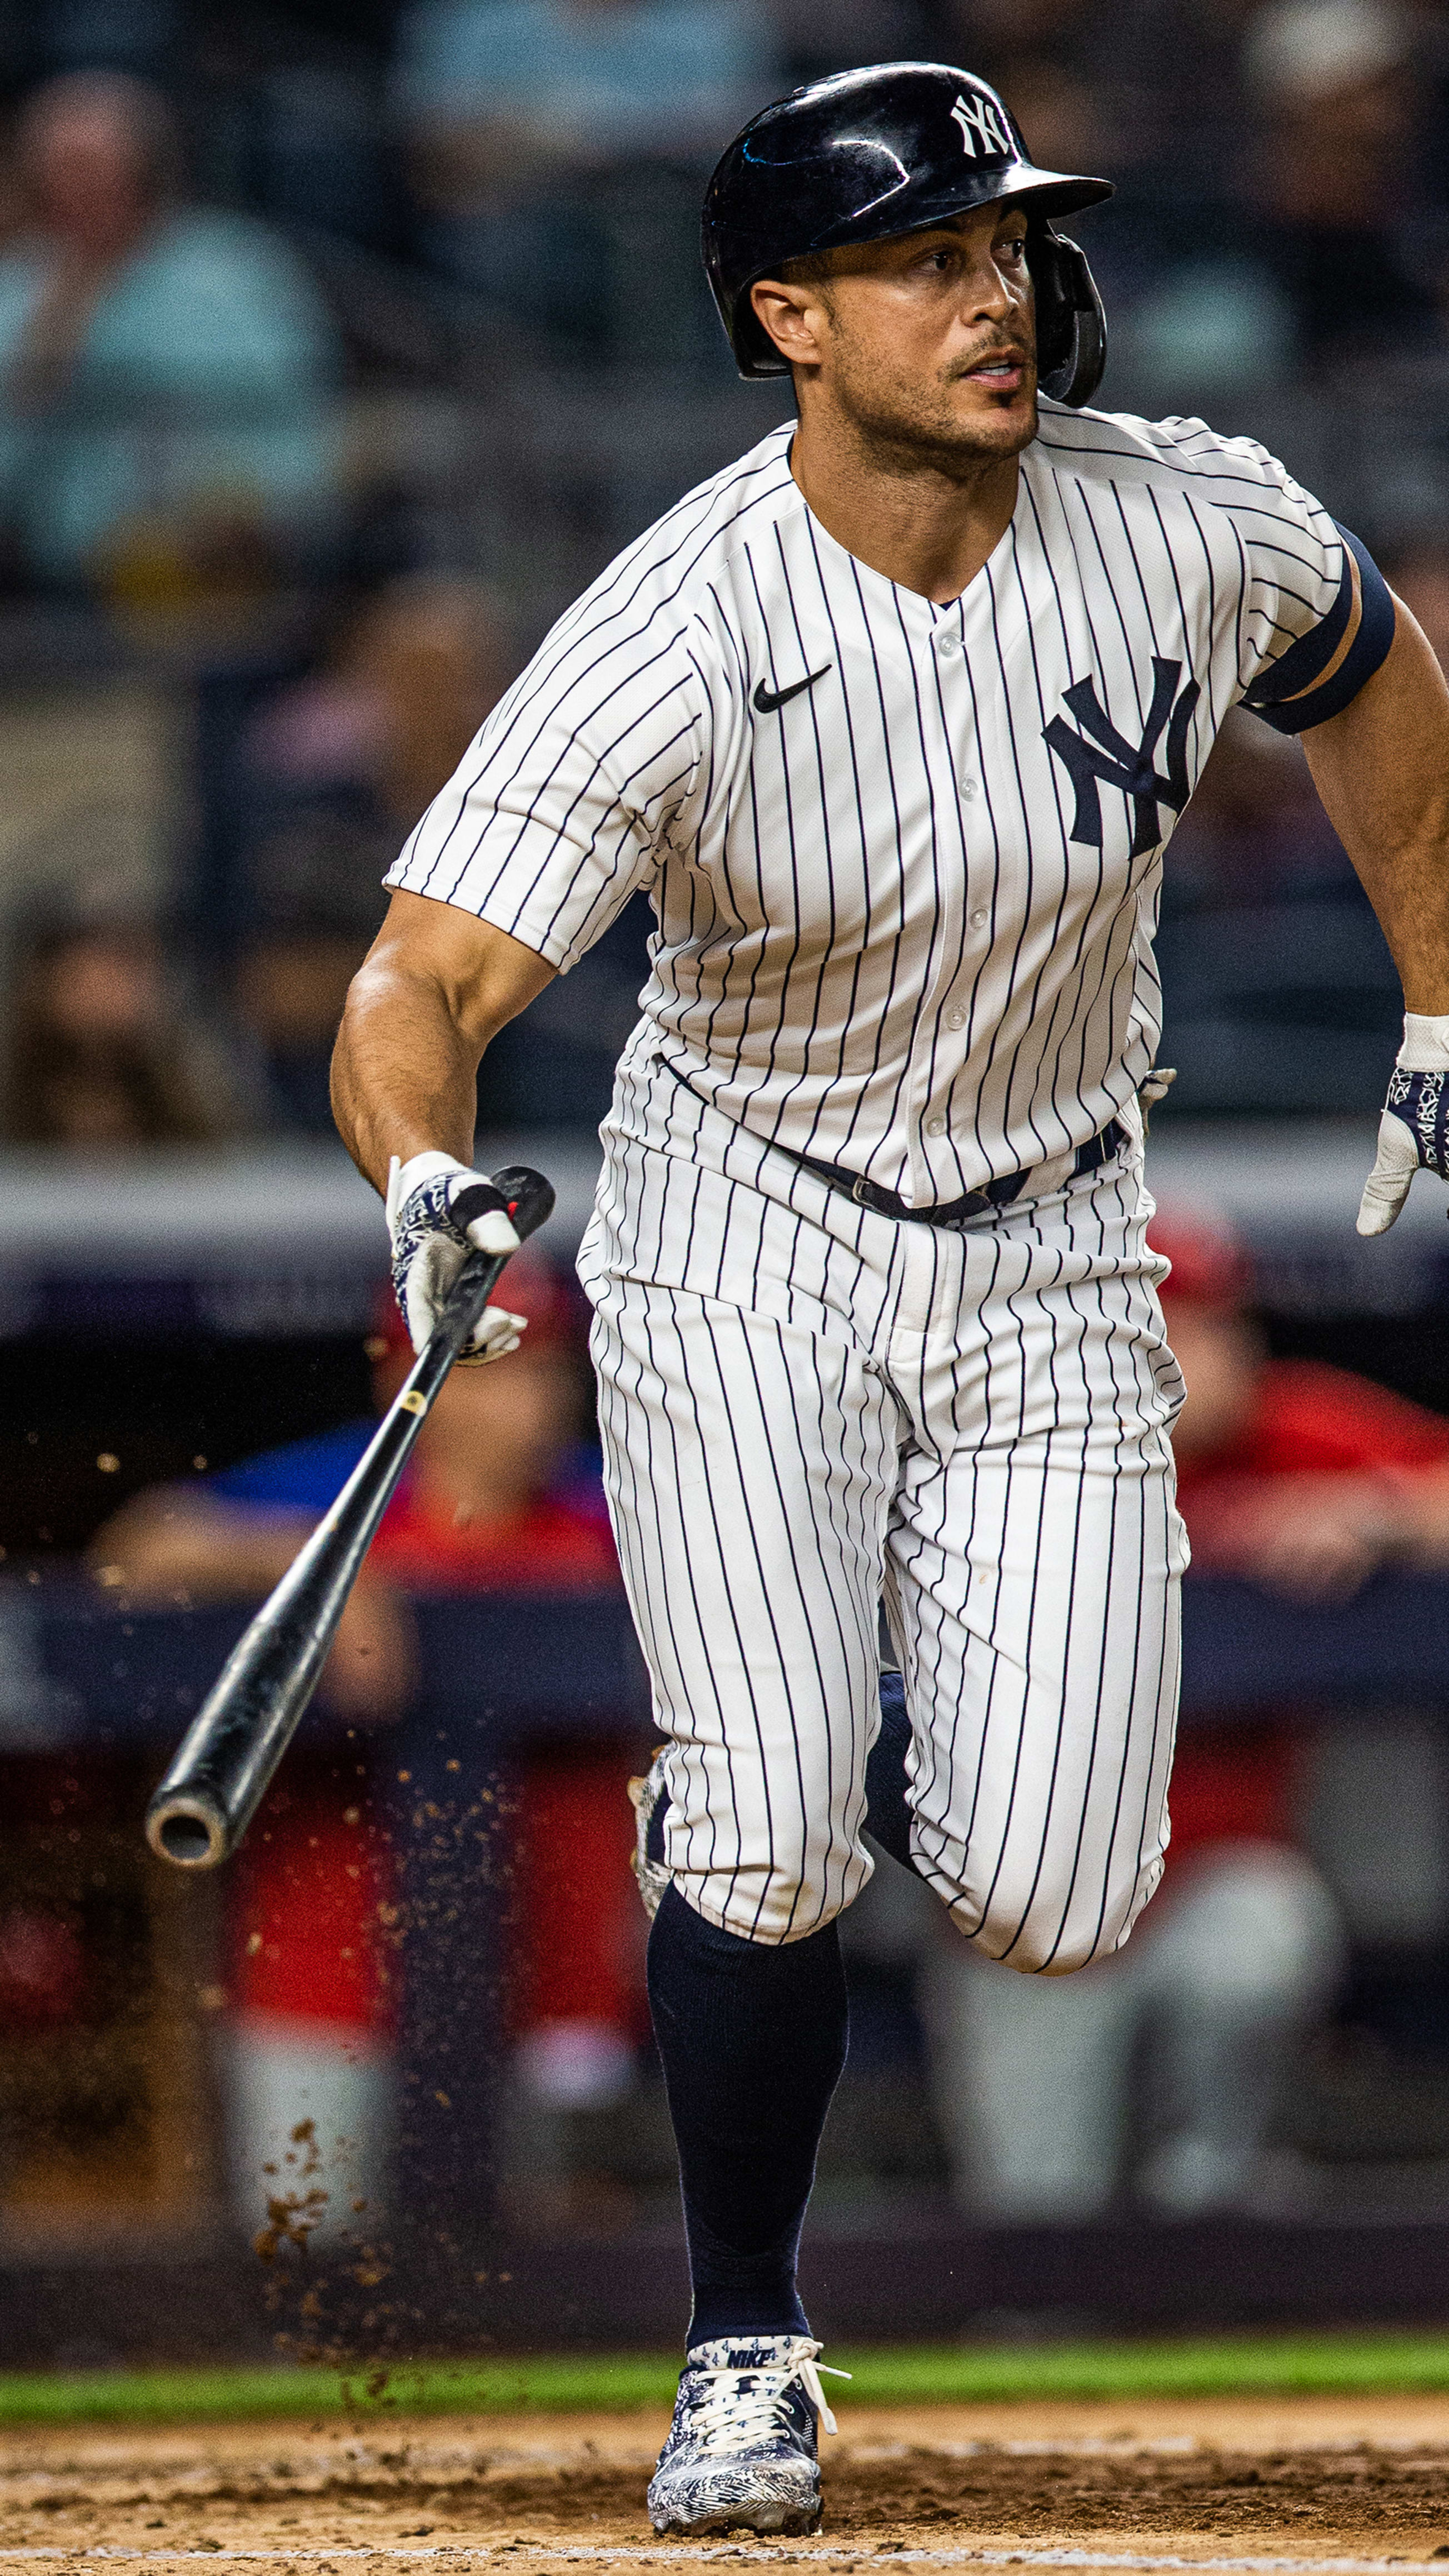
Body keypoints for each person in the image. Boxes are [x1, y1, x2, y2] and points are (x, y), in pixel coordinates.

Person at [330, 58, 1449, 2538]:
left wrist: (1436, 1000)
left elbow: (1369, 671)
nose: (993, 291)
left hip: (1059, 1232)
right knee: (771, 1824)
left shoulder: (1181, 517)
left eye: (1001, 242)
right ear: (786, 318)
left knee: (1057, 1886)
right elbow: (414, 981)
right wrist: (419, 1181)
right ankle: (747, 2333)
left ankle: (749, 1828)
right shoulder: (681, 621)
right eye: (926, 255)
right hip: (748, 1228)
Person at [918, 1210, 1449, 2220]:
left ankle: (1213, 2197)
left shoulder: (1282, 1434)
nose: (1205, 1354)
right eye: (1166, 1325)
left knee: (1261, 1931)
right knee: (1037, 2226)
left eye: (1213, 1324)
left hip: (1207, 1878)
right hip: (1025, 1911)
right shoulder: (992, 1453)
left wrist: (1375, 1511)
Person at [90, 1253, 634, 2238]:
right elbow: (134, 1551)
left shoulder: (607, 1505)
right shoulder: (344, 1488)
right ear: (405, 1376)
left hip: (552, 1983)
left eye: (542, 1365)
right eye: (489, 1365)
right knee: (309, 2271)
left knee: (550, 2291)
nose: (528, 1399)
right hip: (325, 1973)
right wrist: (309, 1571)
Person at [0, 71, 337, 599]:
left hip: (227, 580)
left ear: (146, 170)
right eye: (59, 170)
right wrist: (49, 347)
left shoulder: (237, 275)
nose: (77, 190)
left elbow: (301, 428)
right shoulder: (14, 290)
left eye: (94, 169)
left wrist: (237, 510)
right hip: (49, 582)